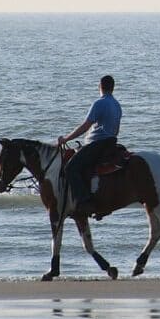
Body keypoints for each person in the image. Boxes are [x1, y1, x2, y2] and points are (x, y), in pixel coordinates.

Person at [58, 75, 122, 216]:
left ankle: (84, 201)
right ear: (113, 87)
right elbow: (116, 130)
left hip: (98, 144)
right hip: (112, 142)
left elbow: (85, 126)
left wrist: (66, 139)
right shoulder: (117, 105)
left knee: (70, 168)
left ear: (100, 86)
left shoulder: (99, 103)